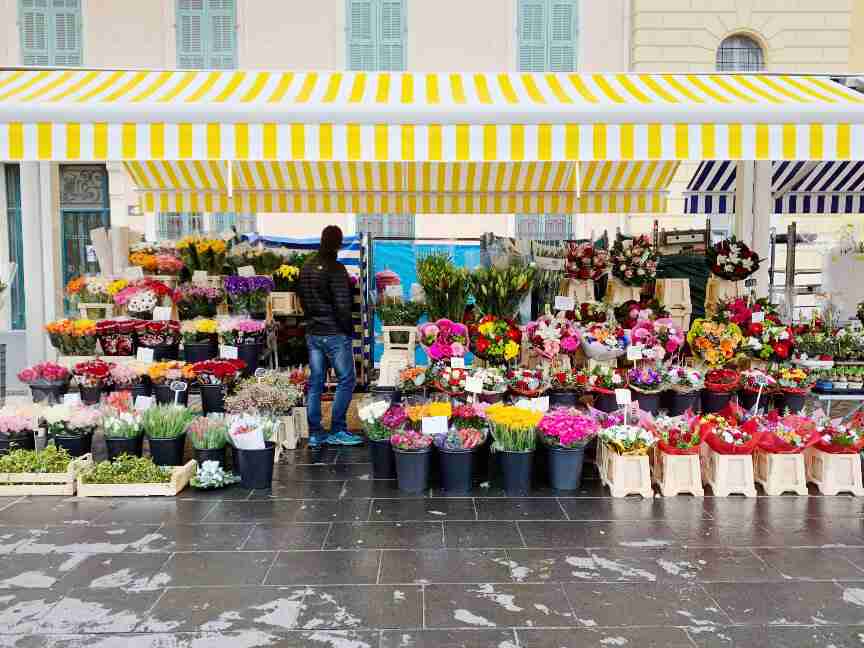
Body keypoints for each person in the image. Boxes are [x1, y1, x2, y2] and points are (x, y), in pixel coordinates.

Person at [297, 225, 361, 447]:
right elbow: (343, 306)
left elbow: (302, 300)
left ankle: (315, 433)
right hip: (334, 332)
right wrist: (347, 330)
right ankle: (338, 429)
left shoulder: (306, 267)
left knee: (315, 382)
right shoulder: (335, 269)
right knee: (346, 380)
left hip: (313, 332)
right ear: (338, 243)